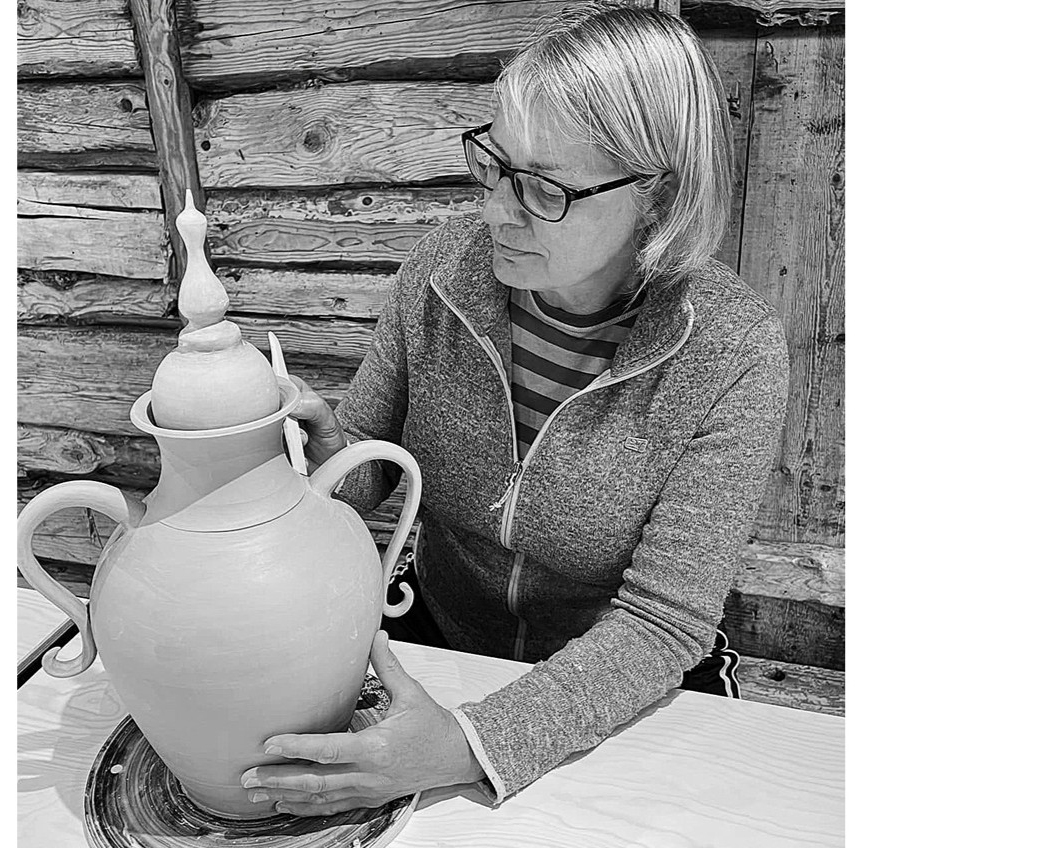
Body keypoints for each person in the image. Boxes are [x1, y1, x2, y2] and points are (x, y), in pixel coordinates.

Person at [239, 2, 789, 815]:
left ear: (659, 194)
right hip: (441, 639)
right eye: (495, 165)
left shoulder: (732, 350)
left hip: (627, 684)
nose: (496, 211)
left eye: (542, 188)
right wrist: (325, 449)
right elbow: (366, 479)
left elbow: (663, 622)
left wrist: (472, 744)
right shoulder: (441, 276)